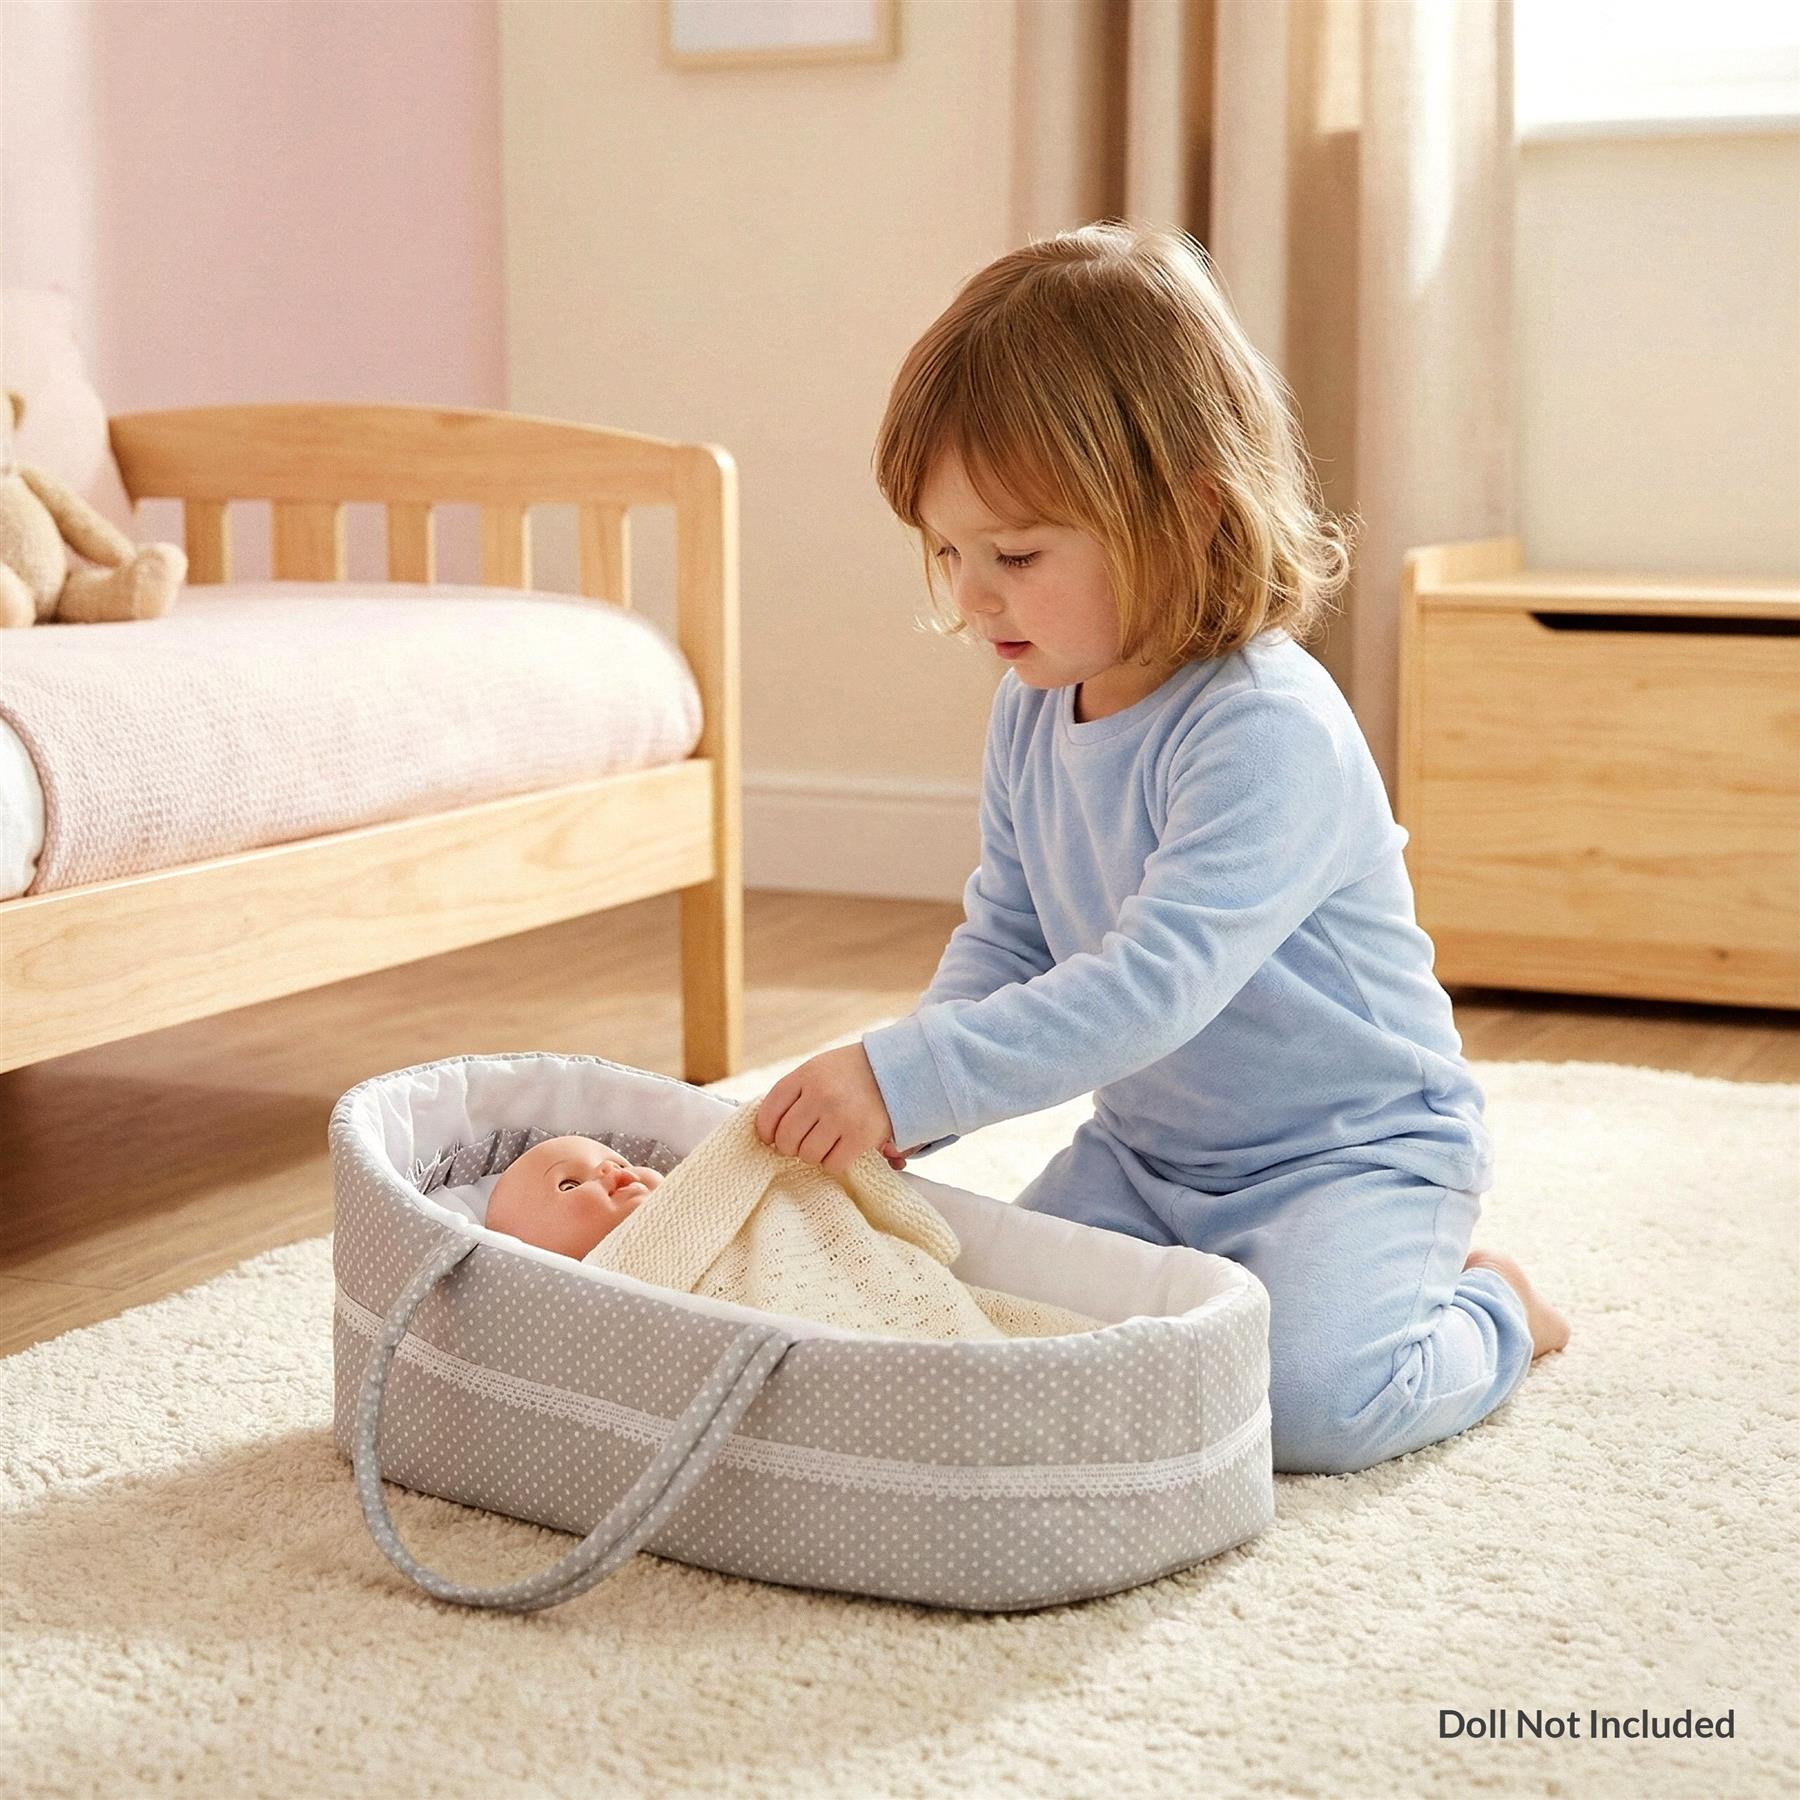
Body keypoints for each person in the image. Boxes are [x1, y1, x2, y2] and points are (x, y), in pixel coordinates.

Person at [753, 221, 1568, 1474]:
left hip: (1347, 1153)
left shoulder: (1265, 728)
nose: (972, 599)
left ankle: (1492, 1307)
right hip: (1151, 1158)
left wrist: (907, 1073)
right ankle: (1302, 1281)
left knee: (1307, 1409)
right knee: (987, 1332)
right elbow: (1010, 934)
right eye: (950, 552)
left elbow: (1155, 988)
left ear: (1187, 516)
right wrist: (914, 1114)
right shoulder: (1033, 702)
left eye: (1016, 555)